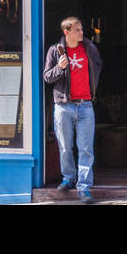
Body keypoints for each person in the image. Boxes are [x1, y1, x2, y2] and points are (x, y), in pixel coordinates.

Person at [43, 16, 102, 202]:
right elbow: (47, 77)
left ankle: (83, 188)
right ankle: (68, 177)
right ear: (66, 32)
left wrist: (92, 90)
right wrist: (60, 68)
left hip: (85, 106)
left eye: (81, 29)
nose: (81, 32)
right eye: (77, 30)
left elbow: (98, 67)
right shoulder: (55, 51)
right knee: (65, 147)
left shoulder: (89, 48)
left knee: (86, 149)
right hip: (63, 106)